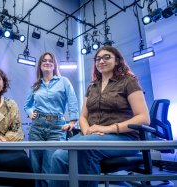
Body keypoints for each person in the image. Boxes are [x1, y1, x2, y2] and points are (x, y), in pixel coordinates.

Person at [49, 46, 150, 187]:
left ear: (117, 61)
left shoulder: (128, 81)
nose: (101, 61)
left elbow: (144, 117)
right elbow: (83, 116)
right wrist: (87, 132)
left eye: (106, 57)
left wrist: (107, 129)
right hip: (91, 137)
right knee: (58, 156)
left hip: (124, 138)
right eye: (98, 59)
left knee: (86, 147)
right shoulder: (92, 87)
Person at [24, 52, 79, 187]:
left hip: (57, 127)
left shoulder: (64, 81)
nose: (47, 62)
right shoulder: (36, 85)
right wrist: (30, 113)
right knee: (35, 166)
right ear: (40, 65)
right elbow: (27, 105)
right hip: (37, 127)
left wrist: (73, 121)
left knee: (50, 165)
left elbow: (72, 101)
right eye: (44, 60)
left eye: (50, 60)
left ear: (54, 65)